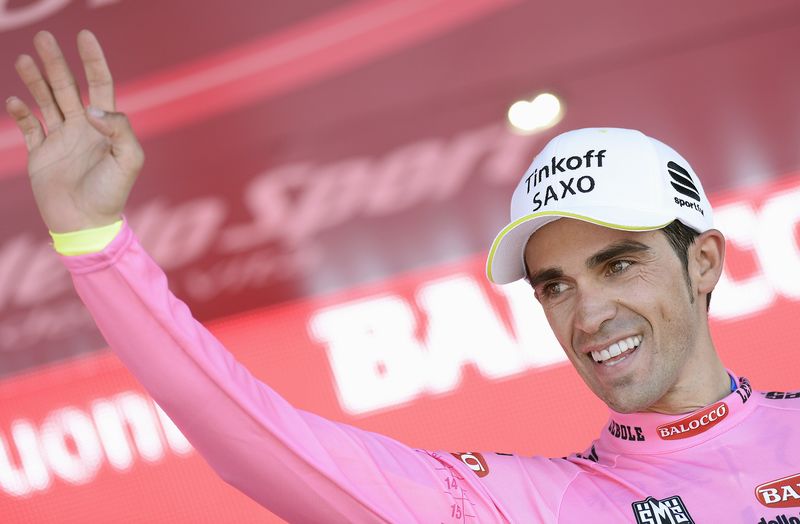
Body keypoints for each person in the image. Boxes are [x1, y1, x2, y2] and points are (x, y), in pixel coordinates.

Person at [5, 30, 800, 524]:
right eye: (553, 285)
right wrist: (96, 243)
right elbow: (260, 441)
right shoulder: (525, 507)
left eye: (617, 263)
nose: (586, 313)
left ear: (704, 263)